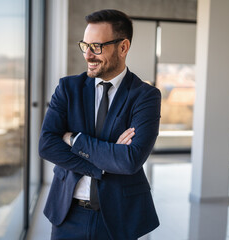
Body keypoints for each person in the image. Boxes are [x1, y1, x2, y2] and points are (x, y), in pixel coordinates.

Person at [39, 9, 161, 240]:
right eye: (85, 45)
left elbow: (130, 160)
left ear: (123, 47)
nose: (88, 55)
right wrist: (103, 163)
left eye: (97, 47)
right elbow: (46, 145)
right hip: (67, 214)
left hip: (119, 217)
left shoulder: (145, 96)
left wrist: (75, 140)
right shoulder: (68, 89)